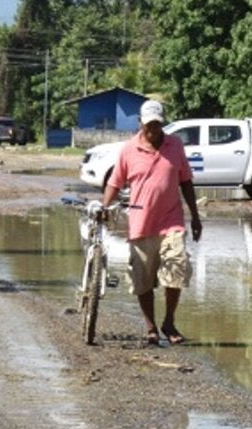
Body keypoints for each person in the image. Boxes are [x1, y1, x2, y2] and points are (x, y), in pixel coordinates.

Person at [101, 99, 203, 345]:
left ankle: (169, 322)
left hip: (172, 220)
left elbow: (186, 181)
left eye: (157, 124)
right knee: (142, 277)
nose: (153, 129)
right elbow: (115, 182)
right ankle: (150, 326)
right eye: (149, 125)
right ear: (140, 123)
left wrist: (196, 216)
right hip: (141, 223)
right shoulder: (128, 149)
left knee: (176, 268)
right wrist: (104, 208)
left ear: (162, 123)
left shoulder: (175, 145)